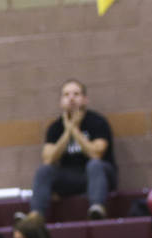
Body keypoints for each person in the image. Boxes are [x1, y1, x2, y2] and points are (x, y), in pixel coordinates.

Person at [29, 79, 116, 220]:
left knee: (94, 165)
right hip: (69, 177)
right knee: (44, 170)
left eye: (76, 94)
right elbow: (48, 159)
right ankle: (35, 216)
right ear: (60, 101)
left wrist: (75, 129)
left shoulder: (98, 122)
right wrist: (68, 131)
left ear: (85, 99)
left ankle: (97, 209)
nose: (71, 98)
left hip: (98, 176)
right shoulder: (55, 128)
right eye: (66, 95)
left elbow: (96, 154)